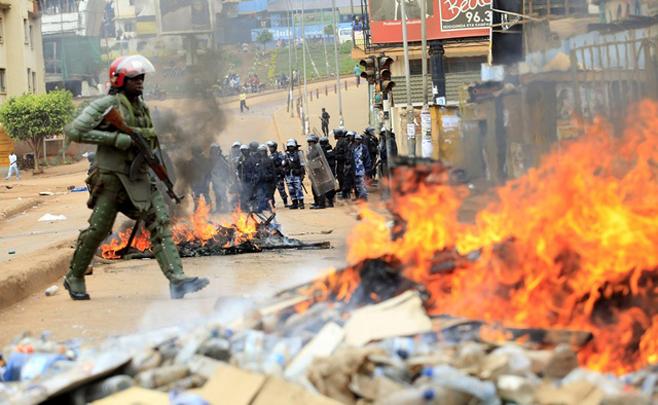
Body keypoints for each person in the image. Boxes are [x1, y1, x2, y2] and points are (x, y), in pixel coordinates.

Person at [63, 55, 209, 300]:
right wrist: (114, 139)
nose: (140, 82)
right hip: (112, 179)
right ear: (120, 80)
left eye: (142, 78)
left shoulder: (142, 108)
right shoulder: (106, 105)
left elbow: (149, 143)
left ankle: (177, 279)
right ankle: (74, 276)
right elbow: (75, 130)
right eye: (134, 78)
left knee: (160, 224)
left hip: (140, 176)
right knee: (99, 229)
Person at [283, 139, 305, 209]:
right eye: (289, 146)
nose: (290, 148)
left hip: (296, 174)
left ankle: (301, 203)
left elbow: (302, 164)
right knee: (291, 189)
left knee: (298, 189)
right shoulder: (286, 154)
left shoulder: (299, 153)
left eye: (292, 146)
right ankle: (294, 203)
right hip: (289, 175)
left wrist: (302, 174)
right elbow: (283, 164)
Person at [267, 140, 289, 207]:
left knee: (281, 190)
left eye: (272, 147)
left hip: (278, 176)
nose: (270, 149)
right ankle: (272, 204)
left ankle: (285, 203)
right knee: (270, 191)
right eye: (270, 147)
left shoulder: (279, 155)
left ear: (275, 147)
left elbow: (282, 163)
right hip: (272, 177)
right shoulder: (269, 156)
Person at [209, 144, 230, 213]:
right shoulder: (212, 159)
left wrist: (224, 178)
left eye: (215, 150)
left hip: (221, 180)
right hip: (215, 180)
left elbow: (227, 169)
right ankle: (218, 208)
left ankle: (226, 208)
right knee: (217, 195)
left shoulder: (221, 159)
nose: (214, 152)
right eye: (213, 151)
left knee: (222, 194)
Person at [254, 144, 276, 212]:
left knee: (268, 195)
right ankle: (261, 207)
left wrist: (271, 179)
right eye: (260, 151)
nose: (261, 153)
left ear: (265, 152)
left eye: (263, 151)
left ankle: (270, 207)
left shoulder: (269, 160)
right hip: (260, 181)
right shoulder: (257, 161)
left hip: (268, 181)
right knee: (260, 194)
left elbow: (273, 171)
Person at [352, 133, 372, 201]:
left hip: (362, 170)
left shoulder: (364, 148)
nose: (358, 141)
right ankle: (359, 198)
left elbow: (367, 159)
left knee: (362, 186)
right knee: (357, 187)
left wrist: (368, 169)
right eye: (356, 139)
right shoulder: (352, 148)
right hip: (354, 171)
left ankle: (364, 200)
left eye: (359, 139)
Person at [319, 136, 336, 207]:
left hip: (330, 171)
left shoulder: (329, 149)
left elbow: (329, 156)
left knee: (330, 187)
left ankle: (330, 201)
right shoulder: (321, 150)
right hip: (323, 171)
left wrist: (323, 150)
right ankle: (325, 201)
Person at [333, 128, 348, 197]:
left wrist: (337, 156)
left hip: (343, 163)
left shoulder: (344, 142)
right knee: (339, 177)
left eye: (335, 134)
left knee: (343, 178)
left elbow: (346, 154)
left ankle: (345, 192)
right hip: (339, 163)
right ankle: (342, 189)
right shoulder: (339, 141)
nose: (334, 135)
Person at [341, 131, 357, 199]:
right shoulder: (349, 144)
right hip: (348, 167)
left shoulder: (356, 145)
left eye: (350, 136)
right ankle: (346, 196)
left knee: (356, 183)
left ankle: (358, 197)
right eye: (348, 136)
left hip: (354, 167)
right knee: (347, 182)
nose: (349, 137)